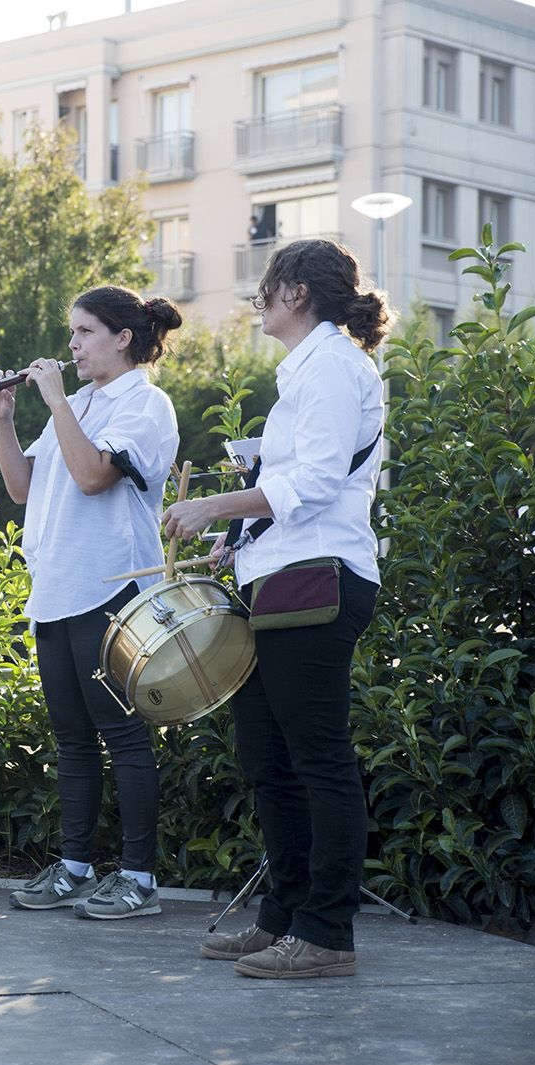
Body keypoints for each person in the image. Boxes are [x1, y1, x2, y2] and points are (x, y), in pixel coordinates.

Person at [164, 238, 387, 979]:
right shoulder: (311, 371)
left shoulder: (332, 367)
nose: (260, 298)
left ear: (296, 291)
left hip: (318, 581)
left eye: (268, 285)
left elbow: (316, 485)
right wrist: (241, 538)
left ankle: (327, 934)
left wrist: (216, 506)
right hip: (285, 576)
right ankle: (283, 918)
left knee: (317, 761)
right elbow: (298, 486)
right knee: (270, 758)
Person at [0, 286, 181, 919]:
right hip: (58, 590)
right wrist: (2, 419)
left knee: (123, 736)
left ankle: (139, 878)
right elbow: (22, 487)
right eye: (71, 332)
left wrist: (54, 402)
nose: (72, 345)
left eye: (85, 332)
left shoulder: (145, 404)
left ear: (124, 338)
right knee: (71, 738)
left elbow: (94, 475)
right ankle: (74, 867)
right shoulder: (76, 404)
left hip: (111, 588)